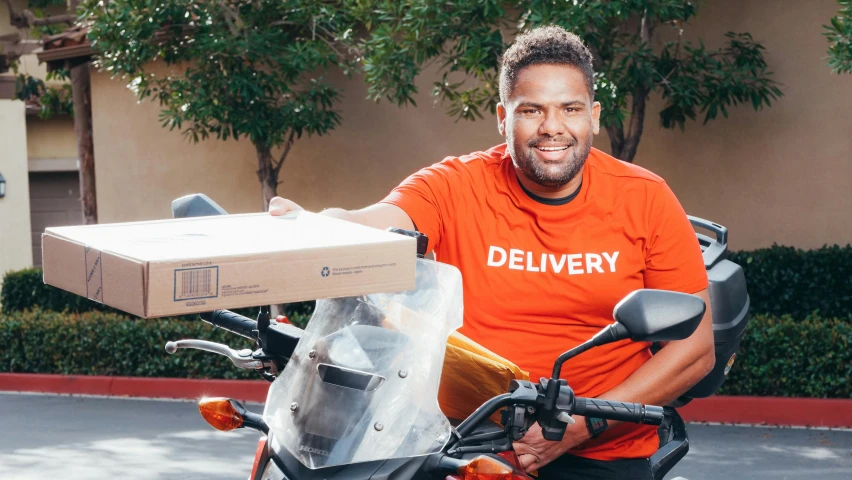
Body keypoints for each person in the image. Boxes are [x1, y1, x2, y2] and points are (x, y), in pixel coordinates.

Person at [269, 25, 715, 480]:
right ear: (503, 118)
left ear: (594, 116)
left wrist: (583, 426)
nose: (552, 127)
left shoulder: (646, 197)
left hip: (600, 448)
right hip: (466, 441)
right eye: (531, 110)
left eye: (570, 108)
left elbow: (695, 350)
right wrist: (318, 222)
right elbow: (381, 219)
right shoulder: (455, 184)